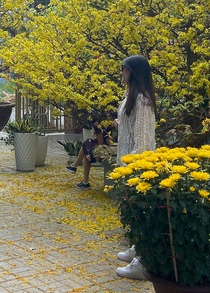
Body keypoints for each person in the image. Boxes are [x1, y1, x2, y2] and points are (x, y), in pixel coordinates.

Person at [113, 54, 157, 280]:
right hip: (128, 166)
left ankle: (143, 262)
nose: (122, 73)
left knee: (141, 214)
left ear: (134, 72)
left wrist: (131, 169)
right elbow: (135, 127)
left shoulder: (142, 100)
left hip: (137, 168)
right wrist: (122, 123)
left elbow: (142, 142)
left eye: (125, 69)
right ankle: (137, 249)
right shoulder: (133, 97)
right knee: (133, 213)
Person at [65, 122, 105, 189]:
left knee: (87, 145)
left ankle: (75, 166)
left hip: (106, 146)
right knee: (86, 147)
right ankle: (83, 179)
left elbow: (100, 139)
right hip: (105, 143)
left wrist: (99, 150)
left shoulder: (98, 123)